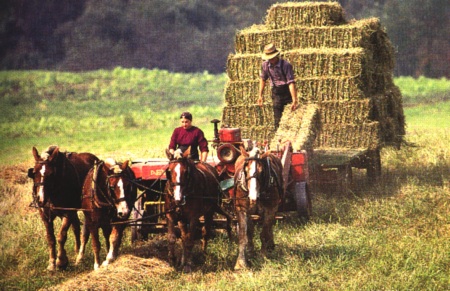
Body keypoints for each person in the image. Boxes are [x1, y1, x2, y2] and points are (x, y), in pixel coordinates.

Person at [257, 43, 298, 130]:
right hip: (276, 92)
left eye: (272, 57)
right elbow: (263, 79)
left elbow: (291, 82)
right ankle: (279, 138)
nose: (270, 59)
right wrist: (260, 95)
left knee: (292, 118)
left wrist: (294, 99)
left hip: (287, 92)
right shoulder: (265, 65)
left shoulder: (286, 65)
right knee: (277, 119)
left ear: (276, 55)